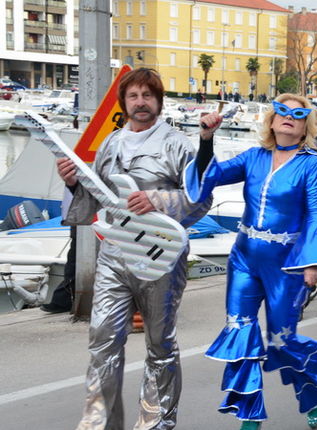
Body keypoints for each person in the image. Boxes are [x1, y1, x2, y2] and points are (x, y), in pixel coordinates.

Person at [56, 68, 212, 429]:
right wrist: (72, 183)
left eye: (147, 96)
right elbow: (97, 198)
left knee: (160, 345)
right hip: (115, 254)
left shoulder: (177, 145)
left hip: (161, 256)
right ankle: (100, 422)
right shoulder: (110, 143)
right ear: (123, 102)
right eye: (133, 96)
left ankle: (156, 423)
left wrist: (156, 200)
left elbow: (200, 198)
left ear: (159, 100)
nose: (140, 103)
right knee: (102, 339)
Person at [192, 94, 317, 429]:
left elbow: (316, 217)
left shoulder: (312, 165)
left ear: (304, 127)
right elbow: (210, 176)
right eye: (281, 112)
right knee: (239, 330)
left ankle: (313, 392)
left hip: (287, 266)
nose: (288, 118)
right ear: (271, 121)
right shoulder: (253, 158)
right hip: (244, 258)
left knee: (282, 340)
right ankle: (249, 413)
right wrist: (206, 139)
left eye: (297, 115)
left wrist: (312, 263)